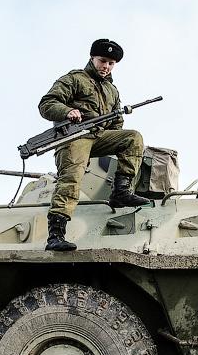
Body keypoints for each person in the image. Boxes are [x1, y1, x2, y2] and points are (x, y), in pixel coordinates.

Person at [38, 38, 150, 251]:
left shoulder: (112, 90)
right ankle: (56, 234)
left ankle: (121, 191)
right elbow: (47, 103)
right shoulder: (75, 79)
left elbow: (116, 123)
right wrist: (67, 112)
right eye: (103, 60)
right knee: (71, 179)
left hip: (98, 137)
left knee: (133, 138)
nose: (106, 67)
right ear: (92, 58)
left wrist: (116, 137)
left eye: (111, 63)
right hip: (75, 136)